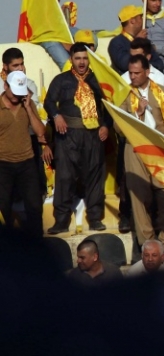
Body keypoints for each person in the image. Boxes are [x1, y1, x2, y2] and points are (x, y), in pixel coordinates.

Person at [44, 42, 111, 234]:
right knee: (65, 177)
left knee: (94, 176)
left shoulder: (98, 80)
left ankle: (95, 218)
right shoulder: (61, 80)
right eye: (77, 58)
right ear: (71, 59)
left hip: (93, 135)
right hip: (68, 135)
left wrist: (106, 125)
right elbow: (49, 102)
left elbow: (110, 105)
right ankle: (61, 221)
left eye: (85, 58)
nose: (81, 62)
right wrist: (56, 115)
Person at [119, 54, 164, 253]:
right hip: (134, 147)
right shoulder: (125, 93)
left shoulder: (161, 91)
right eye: (130, 73)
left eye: (137, 73)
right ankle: (147, 244)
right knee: (139, 196)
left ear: (147, 72)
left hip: (159, 147)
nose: (132, 77)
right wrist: (138, 113)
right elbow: (118, 128)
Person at [0, 72, 46, 237]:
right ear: (6, 86)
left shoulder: (27, 104)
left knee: (34, 207)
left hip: (27, 163)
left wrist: (28, 108)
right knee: (3, 207)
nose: (16, 96)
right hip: (3, 164)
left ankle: (37, 243)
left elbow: (40, 132)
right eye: (13, 92)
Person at [2, 48, 45, 200]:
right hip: (3, 152)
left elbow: (35, 120)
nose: (20, 68)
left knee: (32, 196)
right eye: (15, 65)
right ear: (5, 67)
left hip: (26, 143)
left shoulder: (29, 84)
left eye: (22, 64)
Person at [108, 5, 164, 75]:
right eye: (140, 18)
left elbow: (159, 64)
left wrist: (144, 67)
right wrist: (136, 43)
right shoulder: (116, 42)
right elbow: (124, 64)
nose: (143, 20)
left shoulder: (144, 42)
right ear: (132, 21)